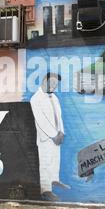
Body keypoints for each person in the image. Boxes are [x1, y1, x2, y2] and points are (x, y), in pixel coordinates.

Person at [30, 72, 70, 201]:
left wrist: (61, 132)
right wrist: (53, 135)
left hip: (56, 135)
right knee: (45, 162)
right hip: (46, 138)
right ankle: (46, 189)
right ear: (44, 81)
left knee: (55, 159)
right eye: (51, 83)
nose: (54, 86)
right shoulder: (35, 99)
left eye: (56, 84)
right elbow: (41, 120)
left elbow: (59, 116)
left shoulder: (54, 98)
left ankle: (54, 180)